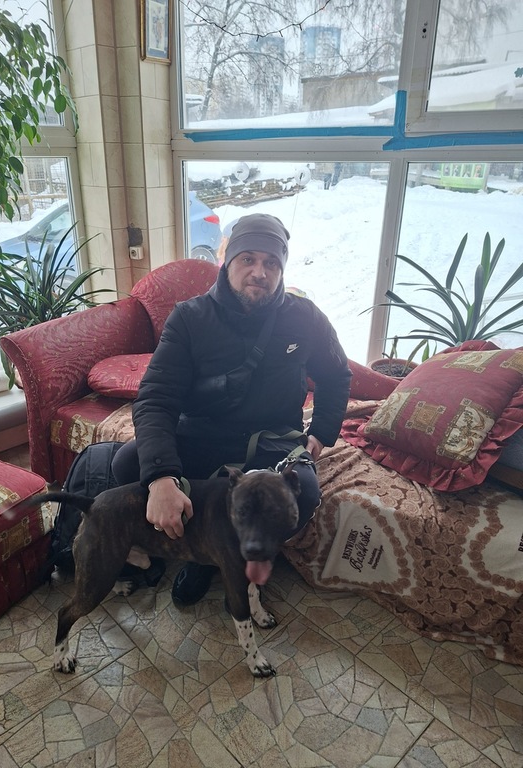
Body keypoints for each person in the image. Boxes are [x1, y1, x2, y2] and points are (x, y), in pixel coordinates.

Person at [112, 213, 352, 605]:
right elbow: (156, 397)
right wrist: (161, 478)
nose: (260, 272)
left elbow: (337, 374)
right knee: (129, 464)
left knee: (304, 492)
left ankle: (227, 556)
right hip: (202, 433)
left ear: (282, 269)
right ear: (227, 262)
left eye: (271, 262)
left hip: (273, 441)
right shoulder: (189, 317)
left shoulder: (304, 317)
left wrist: (322, 432)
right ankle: (203, 549)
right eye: (248, 259)